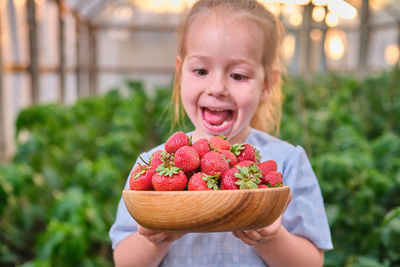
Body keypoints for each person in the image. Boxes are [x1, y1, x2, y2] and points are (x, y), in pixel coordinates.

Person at [109, 0, 333, 266]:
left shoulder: (286, 163)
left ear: (267, 84)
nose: (217, 87)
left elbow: (311, 262)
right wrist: (157, 236)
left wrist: (270, 238)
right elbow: (125, 260)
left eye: (238, 75)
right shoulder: (155, 168)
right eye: (201, 71)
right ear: (180, 72)